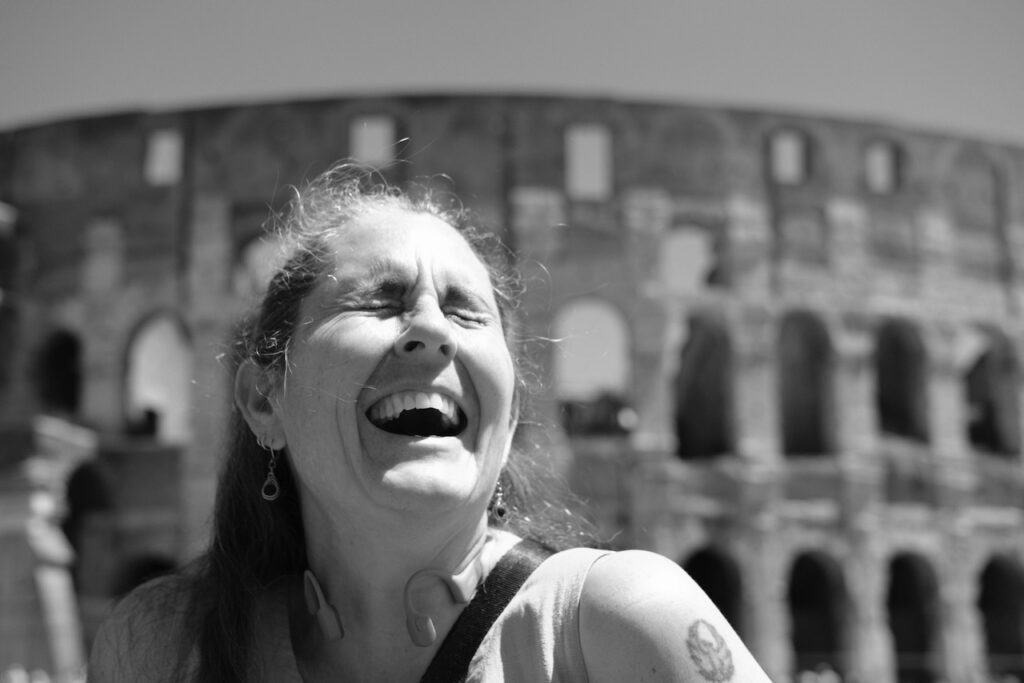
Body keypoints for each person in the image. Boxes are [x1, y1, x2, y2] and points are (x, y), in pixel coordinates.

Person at [88, 164, 771, 682]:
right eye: (379, 301)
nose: (434, 332)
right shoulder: (162, 648)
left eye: (468, 310)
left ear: (508, 411)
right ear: (265, 399)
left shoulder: (617, 624)